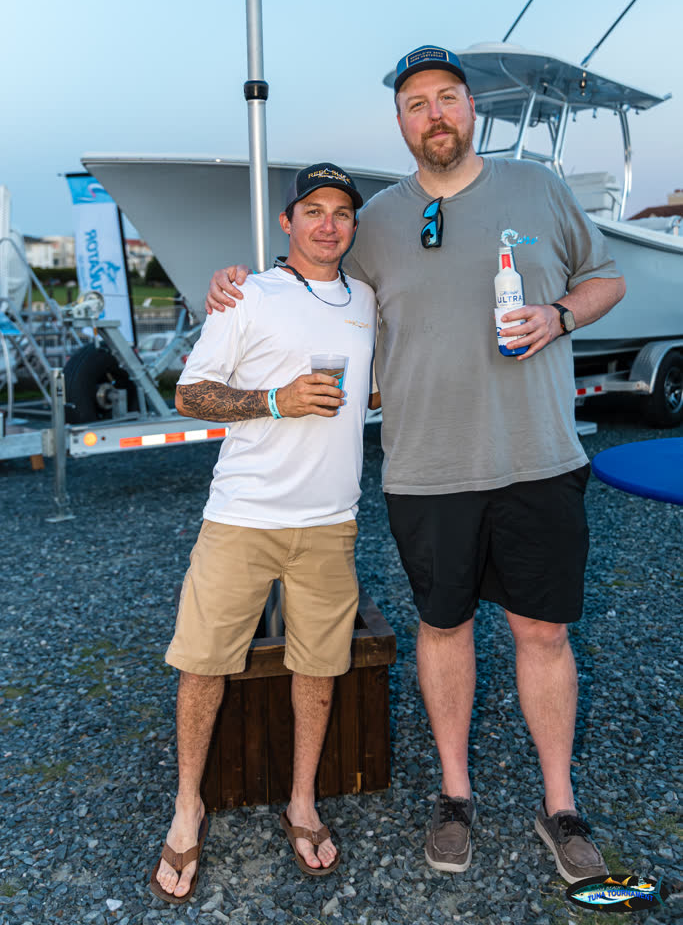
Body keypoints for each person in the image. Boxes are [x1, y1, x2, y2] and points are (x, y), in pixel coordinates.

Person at [205, 46, 626, 885]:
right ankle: (454, 795)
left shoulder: (537, 188)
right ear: (400, 123)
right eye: (415, 104)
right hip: (427, 470)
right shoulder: (378, 222)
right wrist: (234, 284)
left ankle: (560, 805)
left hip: (537, 458)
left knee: (543, 632)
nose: (433, 114)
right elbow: (313, 282)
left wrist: (558, 314)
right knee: (443, 627)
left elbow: (605, 278)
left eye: (446, 97)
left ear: (470, 108)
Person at [150, 163, 378, 903]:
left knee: (319, 666)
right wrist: (276, 400)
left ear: (352, 225)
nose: (327, 224)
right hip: (242, 516)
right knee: (202, 664)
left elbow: (371, 392)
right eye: (313, 210)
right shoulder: (247, 293)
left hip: (330, 520)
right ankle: (188, 807)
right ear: (288, 221)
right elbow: (190, 393)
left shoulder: (366, 300)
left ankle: (302, 802)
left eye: (341, 212)